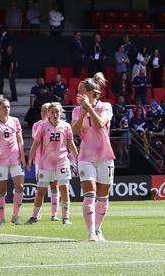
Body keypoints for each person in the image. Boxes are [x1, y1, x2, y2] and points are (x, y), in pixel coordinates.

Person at [71, 73, 116, 242]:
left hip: (105, 156)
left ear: (90, 93)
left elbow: (100, 124)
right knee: (89, 193)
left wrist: (89, 108)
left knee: (103, 197)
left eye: (81, 92)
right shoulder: (77, 110)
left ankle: (98, 229)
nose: (77, 95)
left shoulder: (106, 106)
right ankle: (90, 232)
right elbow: (73, 131)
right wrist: (83, 112)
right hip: (85, 156)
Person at [26, 102, 77, 225]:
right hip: (45, 163)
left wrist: (77, 159)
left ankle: (65, 217)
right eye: (52, 112)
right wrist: (29, 160)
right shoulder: (42, 126)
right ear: (48, 113)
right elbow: (36, 144)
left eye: (57, 112)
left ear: (61, 113)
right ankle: (34, 216)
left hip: (62, 162)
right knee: (40, 191)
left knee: (64, 188)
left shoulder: (66, 126)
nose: (55, 114)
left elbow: (70, 143)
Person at [0, 97, 25, 225]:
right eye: (4, 107)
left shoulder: (15, 121)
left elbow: (20, 140)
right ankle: (2, 218)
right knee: (1, 191)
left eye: (8, 107)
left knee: (20, 187)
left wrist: (23, 158)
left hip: (15, 159)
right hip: (1, 161)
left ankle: (16, 216)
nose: (7, 109)